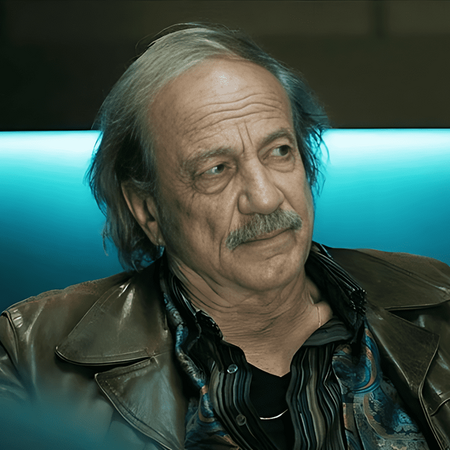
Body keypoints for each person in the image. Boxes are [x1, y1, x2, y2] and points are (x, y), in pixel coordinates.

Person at [0, 23, 449, 450]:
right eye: (216, 169)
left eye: (279, 151)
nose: (265, 198)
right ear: (148, 209)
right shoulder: (28, 357)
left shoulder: (440, 306)